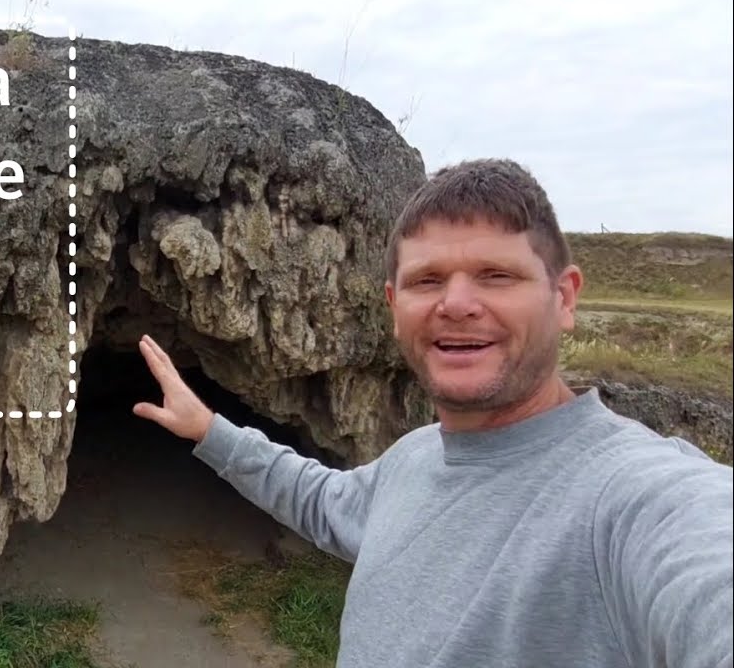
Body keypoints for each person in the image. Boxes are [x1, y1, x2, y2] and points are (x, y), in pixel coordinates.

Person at [132, 159, 733, 668]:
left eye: (497, 276)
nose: (458, 304)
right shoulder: (417, 456)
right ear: (395, 307)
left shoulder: (634, 499)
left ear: (565, 296)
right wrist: (209, 429)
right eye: (428, 280)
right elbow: (321, 501)